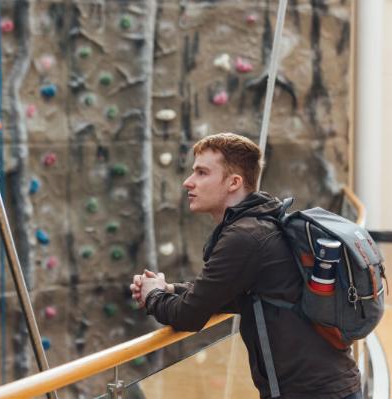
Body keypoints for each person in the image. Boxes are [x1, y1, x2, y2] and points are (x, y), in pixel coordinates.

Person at [130, 133, 361, 399]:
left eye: (202, 173)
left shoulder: (245, 236)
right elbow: (231, 296)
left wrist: (152, 295)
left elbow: (188, 316)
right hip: (329, 386)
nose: (188, 182)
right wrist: (168, 287)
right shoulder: (263, 220)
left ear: (234, 182)